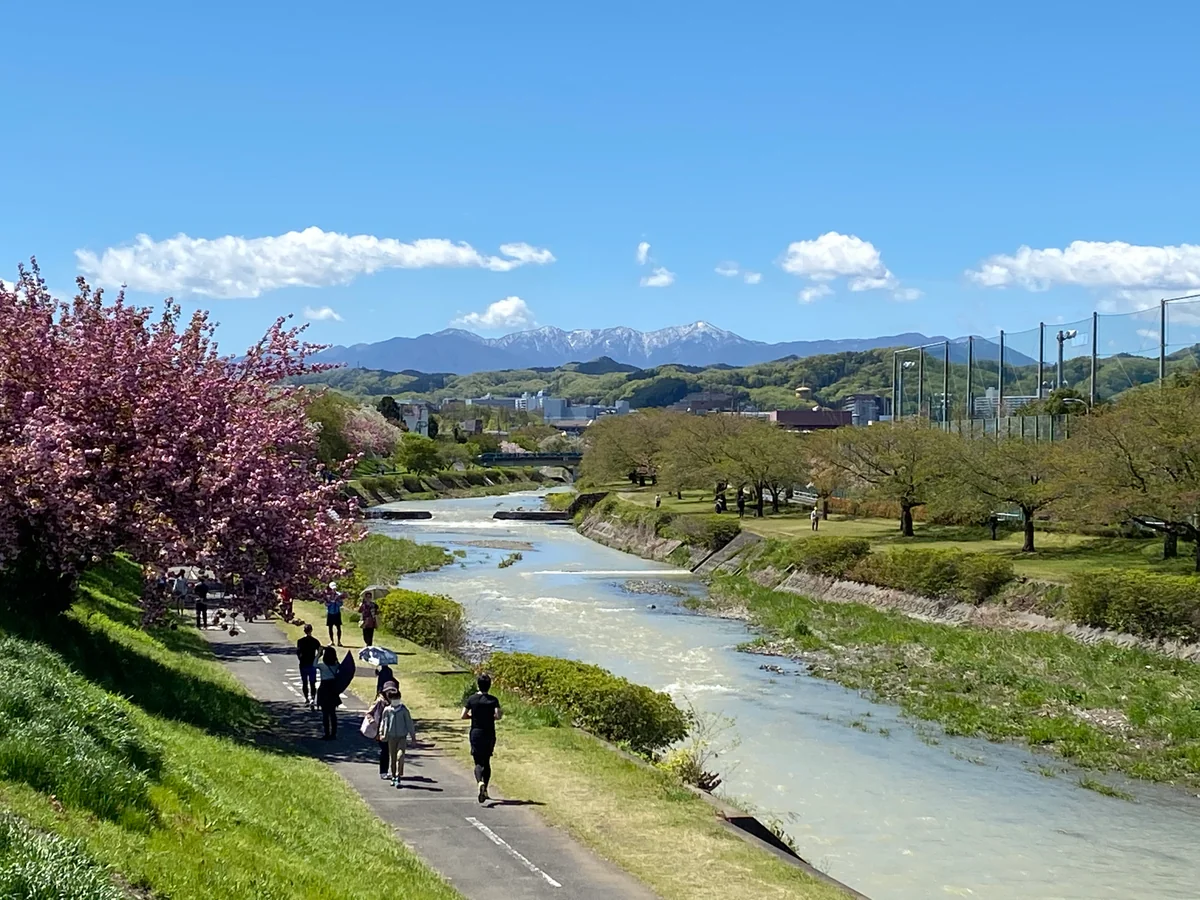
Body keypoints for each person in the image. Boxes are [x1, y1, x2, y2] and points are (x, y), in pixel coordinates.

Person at [461, 673, 502, 803]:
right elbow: (498, 715)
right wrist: (490, 717)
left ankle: (479, 782)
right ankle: (486, 789)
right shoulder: (493, 700)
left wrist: (472, 717)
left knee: (478, 762)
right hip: (489, 733)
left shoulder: (471, 699)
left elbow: (463, 715)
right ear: (489, 686)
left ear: (478, 684)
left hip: (476, 732)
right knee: (487, 761)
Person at [379, 684, 417, 788]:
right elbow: (383, 722)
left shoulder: (404, 710)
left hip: (401, 737)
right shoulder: (387, 710)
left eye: (397, 698)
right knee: (393, 757)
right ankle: (393, 776)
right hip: (391, 737)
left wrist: (413, 736)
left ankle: (398, 775)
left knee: (400, 756)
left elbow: (409, 723)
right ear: (390, 699)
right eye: (394, 698)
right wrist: (381, 733)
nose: (396, 700)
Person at [364, 686, 391, 780]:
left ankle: (389, 771)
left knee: (390, 750)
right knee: (385, 750)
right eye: (389, 691)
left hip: (391, 730)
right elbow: (369, 713)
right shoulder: (380, 701)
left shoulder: (394, 701)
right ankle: (383, 772)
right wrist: (373, 723)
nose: (391, 692)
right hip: (380, 730)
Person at [315, 646, 341, 739]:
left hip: (324, 688)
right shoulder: (335, 665)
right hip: (332, 689)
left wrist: (319, 654)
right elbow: (340, 667)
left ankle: (327, 733)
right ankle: (333, 734)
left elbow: (314, 664)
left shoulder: (323, 666)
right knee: (332, 713)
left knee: (325, 713)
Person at [296, 624, 322, 707]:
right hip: (312, 664)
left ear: (304, 631)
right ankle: (313, 697)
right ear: (311, 630)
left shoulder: (300, 641)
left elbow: (298, 652)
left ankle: (306, 698)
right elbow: (320, 651)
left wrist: (301, 659)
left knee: (304, 682)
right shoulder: (315, 641)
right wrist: (316, 658)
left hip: (303, 664)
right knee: (312, 682)